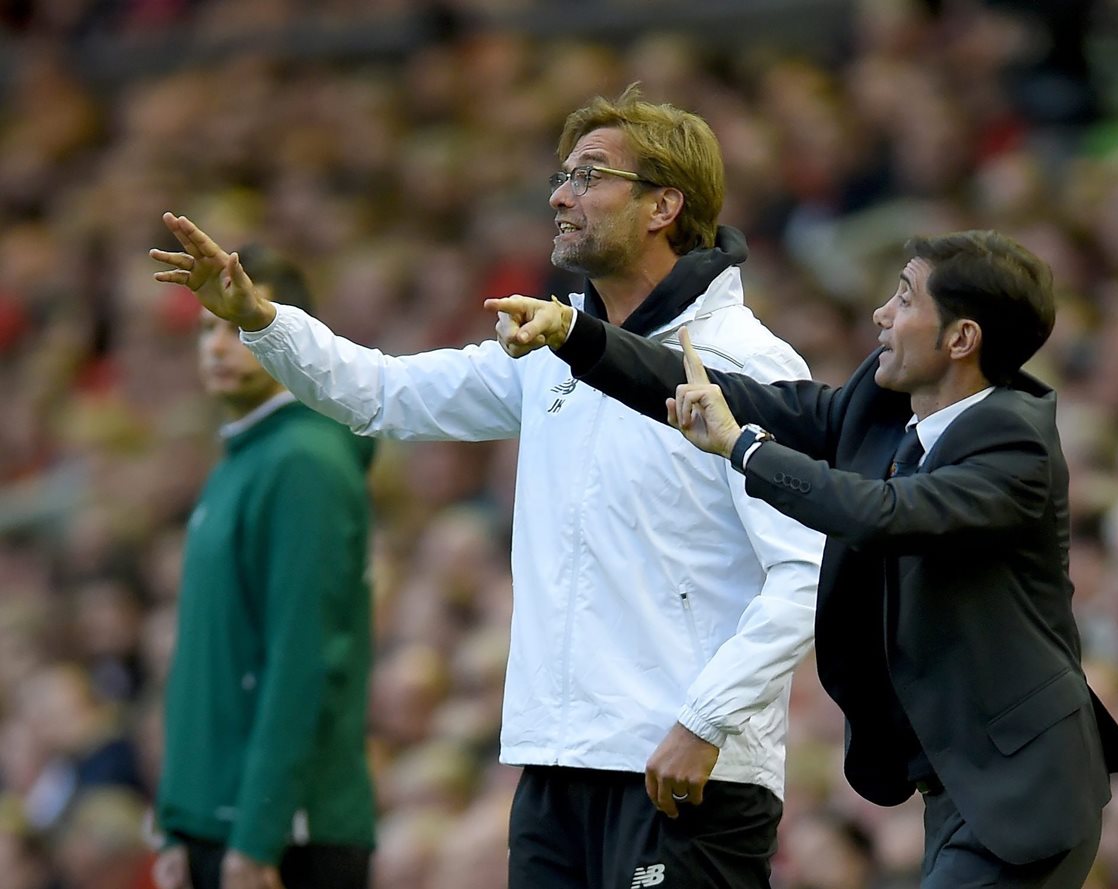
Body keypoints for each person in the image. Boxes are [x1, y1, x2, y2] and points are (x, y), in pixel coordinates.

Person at [150, 86, 825, 889]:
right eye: (562, 174)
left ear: (663, 206)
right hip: (553, 768)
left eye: (588, 175)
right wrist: (261, 318)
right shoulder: (554, 355)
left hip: (687, 770)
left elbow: (806, 571)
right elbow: (382, 394)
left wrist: (705, 718)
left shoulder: (752, 363)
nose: (559, 195)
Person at [487, 229, 1118, 889]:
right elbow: (726, 394)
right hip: (958, 789)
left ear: (960, 338)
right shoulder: (885, 407)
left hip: (1024, 788)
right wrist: (575, 335)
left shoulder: (1015, 445)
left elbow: (882, 514)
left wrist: (744, 449)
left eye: (904, 299)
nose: (880, 315)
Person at [151, 245, 376, 889]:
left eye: (236, 326)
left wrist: (258, 836)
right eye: (205, 329)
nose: (217, 347)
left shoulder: (303, 462)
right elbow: (208, 664)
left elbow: (303, 655)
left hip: (279, 837)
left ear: (288, 332)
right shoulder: (244, 458)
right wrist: (178, 821)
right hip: (221, 823)